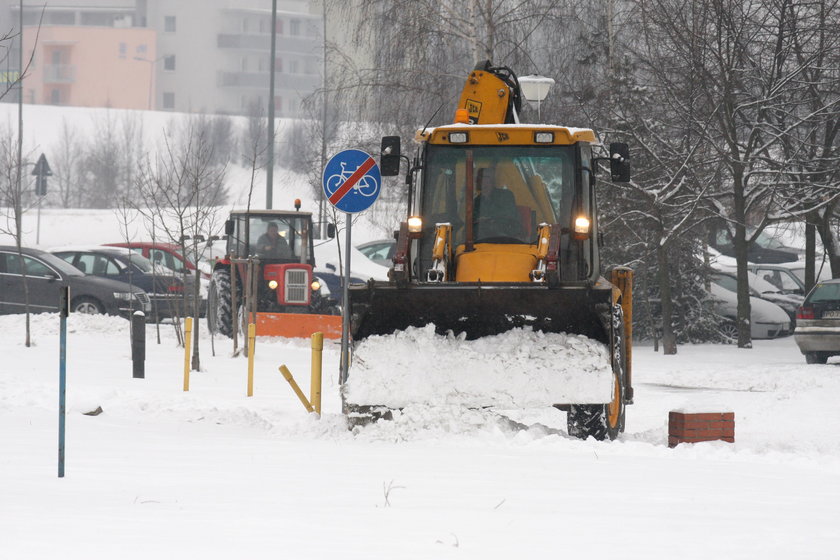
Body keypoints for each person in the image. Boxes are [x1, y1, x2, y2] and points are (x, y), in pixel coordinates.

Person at [473, 167, 522, 239]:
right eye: (479, 177)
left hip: (507, 238)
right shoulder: (476, 201)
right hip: (482, 241)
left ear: (492, 180)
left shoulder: (506, 195)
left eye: (485, 177)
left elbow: (510, 215)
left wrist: (489, 219)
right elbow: (473, 222)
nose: (480, 180)